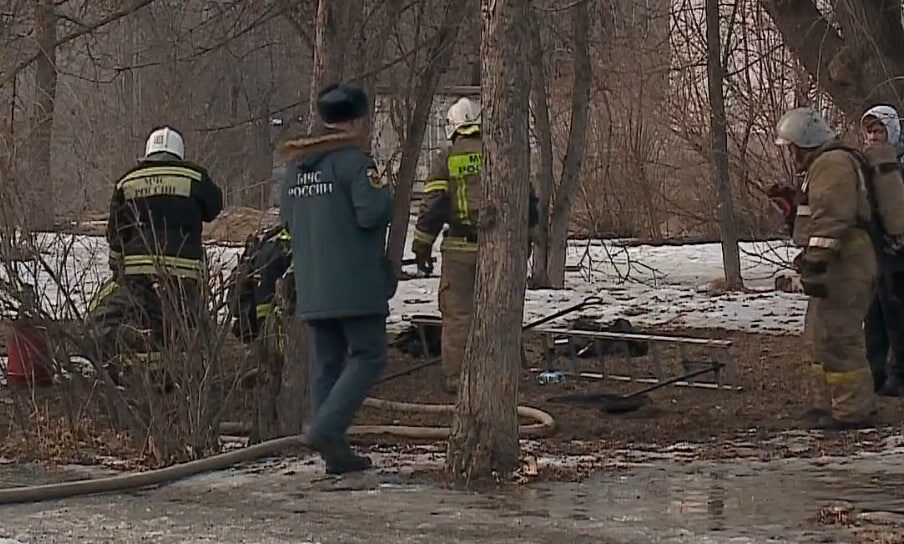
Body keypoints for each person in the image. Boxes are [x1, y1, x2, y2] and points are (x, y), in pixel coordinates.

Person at [278, 83, 395, 475]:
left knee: (327, 365)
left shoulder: (296, 169)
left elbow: (287, 222)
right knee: (368, 354)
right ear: (357, 120)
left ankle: (336, 456)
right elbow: (372, 213)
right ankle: (326, 430)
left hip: (312, 286)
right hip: (356, 285)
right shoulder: (356, 163)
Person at [411, 97, 539, 394]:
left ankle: (458, 381)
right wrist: (528, 240)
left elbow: (433, 207)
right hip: (499, 249)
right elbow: (529, 202)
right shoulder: (501, 152)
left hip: (459, 250)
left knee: (457, 315)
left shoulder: (447, 156)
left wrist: (421, 248)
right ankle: (502, 378)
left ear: (452, 126)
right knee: (498, 314)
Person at [87, 126, 223, 380]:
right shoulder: (195, 177)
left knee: (117, 314)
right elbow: (214, 207)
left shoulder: (126, 182)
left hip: (138, 275)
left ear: (147, 153)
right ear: (179, 154)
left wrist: (118, 269)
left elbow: (116, 236)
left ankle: (136, 365)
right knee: (183, 322)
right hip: (186, 275)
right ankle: (184, 371)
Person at [774, 107, 878, 429]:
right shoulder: (822, 165)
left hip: (846, 264)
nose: (791, 154)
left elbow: (832, 219)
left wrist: (816, 262)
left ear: (804, 143)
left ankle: (852, 412)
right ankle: (826, 405)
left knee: (839, 338)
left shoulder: (832, 165)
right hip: (836, 264)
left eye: (792, 147)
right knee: (819, 336)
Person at [860, 105, 904, 396]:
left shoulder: (899, 164)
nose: (875, 137)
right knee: (873, 314)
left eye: (880, 131)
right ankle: (874, 373)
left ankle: (900, 374)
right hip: (874, 251)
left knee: (897, 314)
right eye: (871, 131)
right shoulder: (863, 166)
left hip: (899, 253)